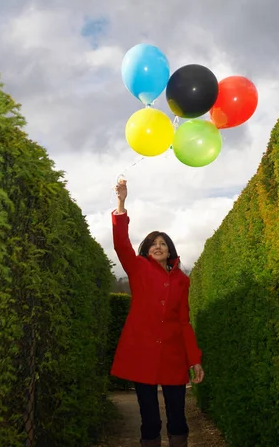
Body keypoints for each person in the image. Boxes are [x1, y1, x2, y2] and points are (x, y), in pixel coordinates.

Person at [111, 179, 204, 447]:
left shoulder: (182, 281)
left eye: (162, 243)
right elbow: (120, 244)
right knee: (149, 418)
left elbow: (184, 322)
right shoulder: (137, 267)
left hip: (173, 356)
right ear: (147, 250)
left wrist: (194, 359)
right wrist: (121, 204)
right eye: (153, 243)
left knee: (178, 418)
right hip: (143, 354)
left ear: (170, 250)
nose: (158, 246)